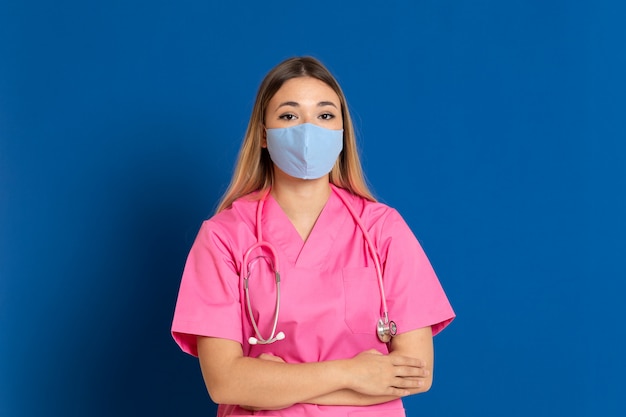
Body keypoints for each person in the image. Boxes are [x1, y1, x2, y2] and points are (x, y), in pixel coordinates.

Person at [171, 56, 455, 417]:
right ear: (263, 134)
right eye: (289, 116)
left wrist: (272, 386)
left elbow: (416, 374)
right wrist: (354, 372)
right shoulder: (224, 236)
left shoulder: (382, 229)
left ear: (341, 133)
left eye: (325, 116)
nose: (309, 130)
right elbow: (225, 383)